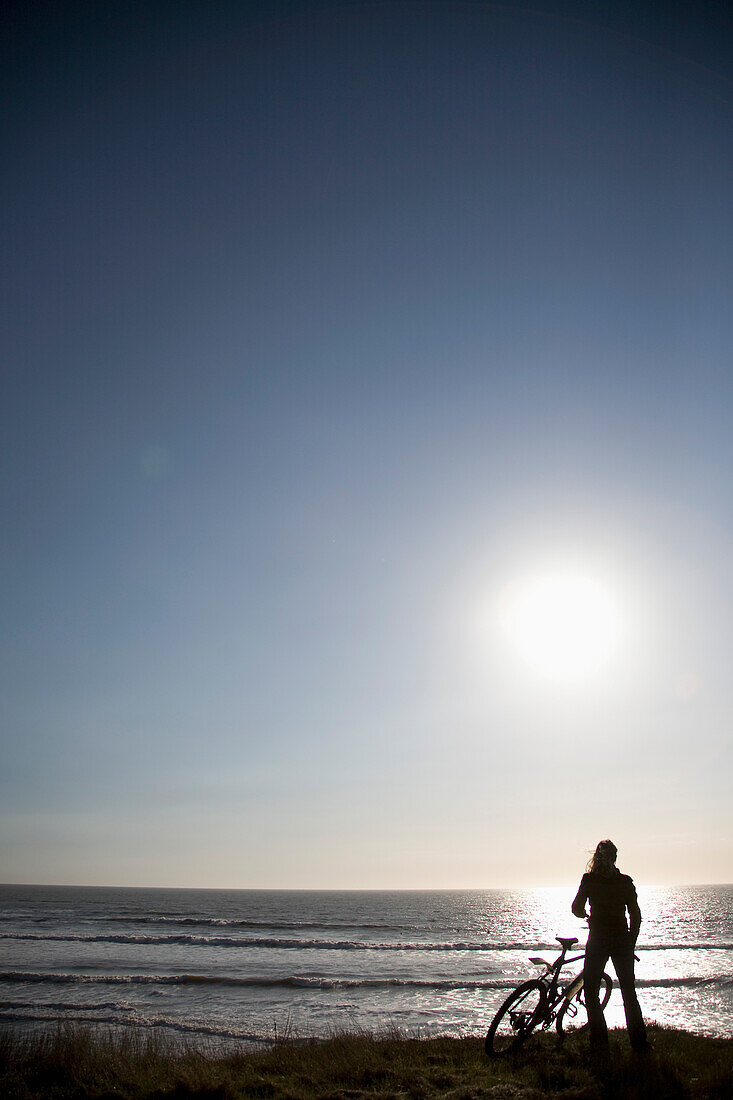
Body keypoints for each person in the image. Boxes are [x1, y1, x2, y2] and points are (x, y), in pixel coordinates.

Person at [572, 839, 648, 1055]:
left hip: (598, 939)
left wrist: (584, 914)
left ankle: (599, 1043)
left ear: (597, 857)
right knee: (628, 992)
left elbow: (576, 907)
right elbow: (635, 915)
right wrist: (630, 943)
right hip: (621, 939)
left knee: (591, 990)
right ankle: (639, 1044)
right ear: (615, 858)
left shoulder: (589, 880)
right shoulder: (625, 882)